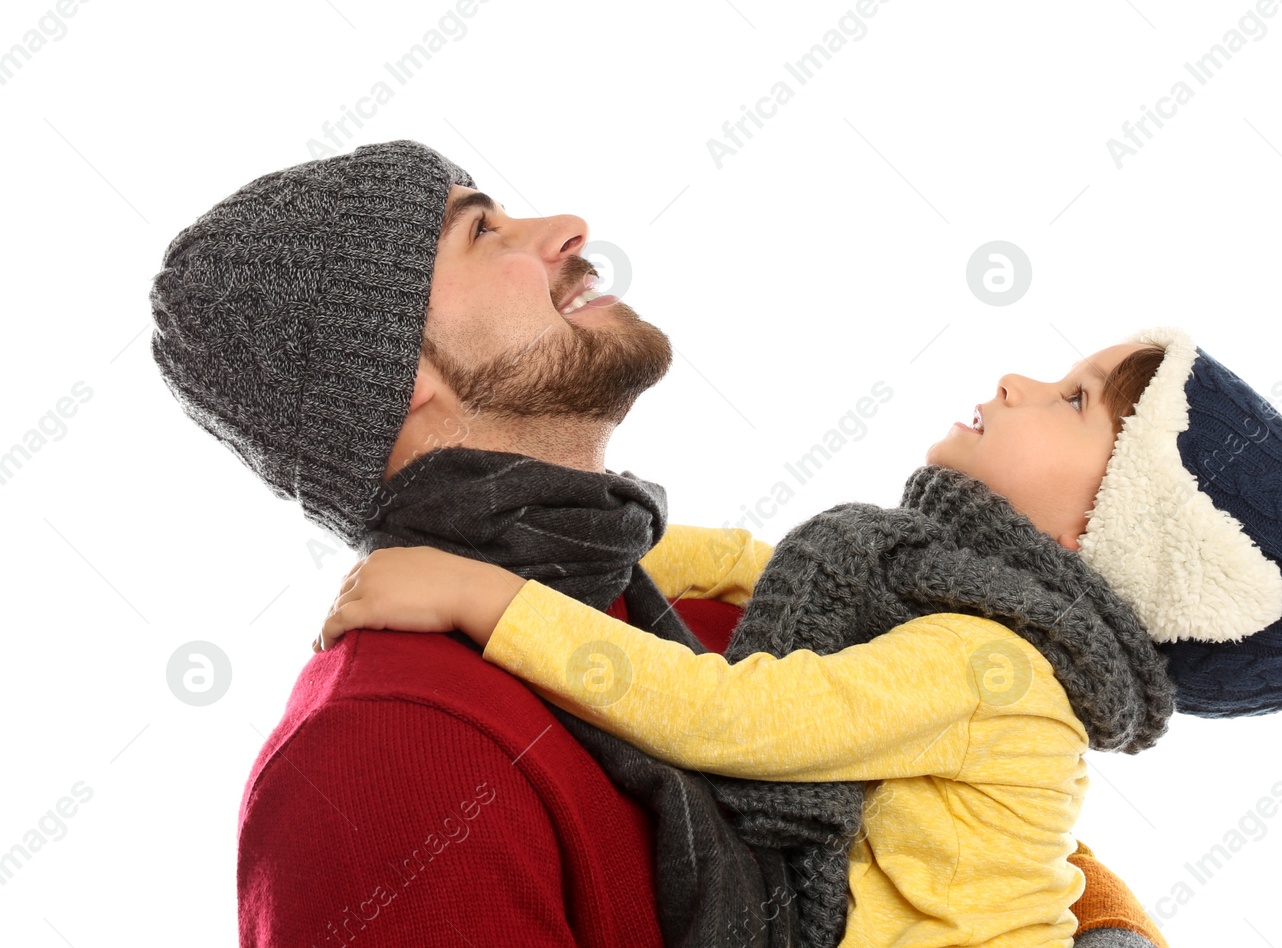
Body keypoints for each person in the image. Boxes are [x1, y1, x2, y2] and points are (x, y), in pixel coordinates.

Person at [148, 138, 1167, 948]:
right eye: (480, 233)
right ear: (393, 377)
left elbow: (992, 872)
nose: (566, 227)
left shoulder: (750, 625)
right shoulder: (381, 760)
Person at [320, 322, 1282, 946]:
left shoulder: (994, 666)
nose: (1020, 377)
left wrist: (489, 602)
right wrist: (539, 550)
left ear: (1112, 535)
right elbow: (750, 567)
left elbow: (742, 717)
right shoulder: (933, 597)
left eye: (1073, 402)